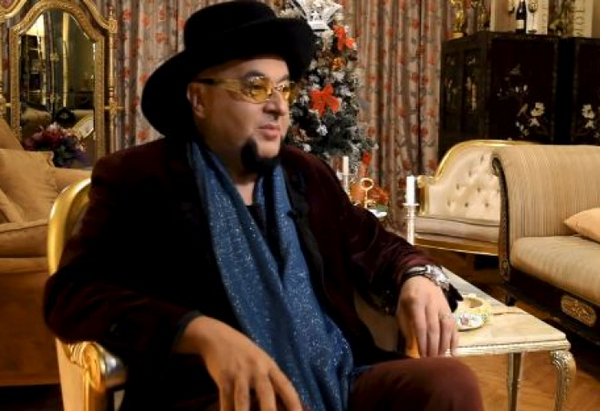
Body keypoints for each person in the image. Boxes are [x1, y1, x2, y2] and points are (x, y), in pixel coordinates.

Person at [44, 1, 484, 410]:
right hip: (217, 394)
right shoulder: (141, 178)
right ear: (199, 99)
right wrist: (198, 331)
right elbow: (71, 296)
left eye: (284, 89)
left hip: (334, 378)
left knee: (449, 383)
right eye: (255, 87)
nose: (277, 107)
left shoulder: (306, 174)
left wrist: (417, 277)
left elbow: (376, 243)